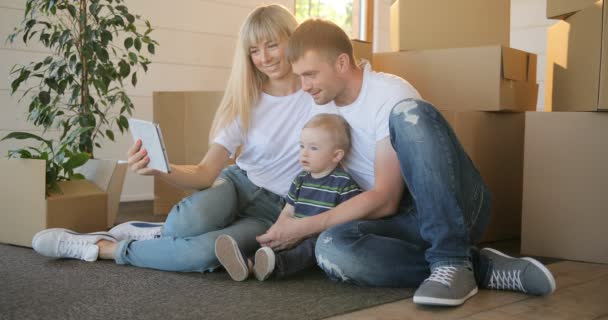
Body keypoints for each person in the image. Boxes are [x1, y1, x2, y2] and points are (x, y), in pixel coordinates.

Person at [256, 19, 556, 307]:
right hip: (401, 222)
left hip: (453, 207)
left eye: (310, 74)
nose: (305, 85)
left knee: (409, 114)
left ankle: (451, 259)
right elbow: (320, 175)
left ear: (342, 63)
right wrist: (287, 223)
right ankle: (478, 267)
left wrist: (307, 226)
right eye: (300, 77)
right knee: (331, 249)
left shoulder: (389, 93)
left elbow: (385, 199)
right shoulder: (321, 104)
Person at [30, 4, 315, 274]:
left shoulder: (320, 97)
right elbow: (205, 173)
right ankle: (163, 231)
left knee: (203, 255)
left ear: (294, 39)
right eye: (254, 50)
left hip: (276, 210)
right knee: (185, 226)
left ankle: (102, 247)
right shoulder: (245, 99)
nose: (264, 58)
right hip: (238, 185)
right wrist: (160, 167)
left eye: (272, 45)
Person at [214, 113, 362, 281]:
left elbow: (350, 219)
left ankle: (275, 266)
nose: (304, 154)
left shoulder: (343, 183)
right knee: (273, 243)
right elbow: (287, 212)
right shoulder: (300, 180)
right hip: (294, 232)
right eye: (301, 146)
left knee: (308, 247)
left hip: (319, 238)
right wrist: (277, 232)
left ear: (336, 155)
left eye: (313, 148)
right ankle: (247, 263)